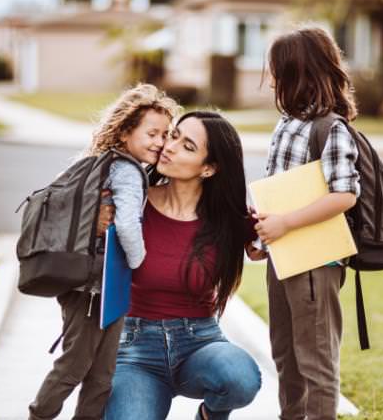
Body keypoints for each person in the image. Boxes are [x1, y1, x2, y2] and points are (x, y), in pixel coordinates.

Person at [28, 84, 179, 420]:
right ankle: (38, 415)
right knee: (77, 366)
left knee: (102, 371)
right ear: (125, 132)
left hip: (101, 286)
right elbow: (126, 225)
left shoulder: (105, 162)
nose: (159, 141)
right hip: (94, 289)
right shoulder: (125, 170)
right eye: (152, 133)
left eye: (164, 134)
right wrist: (141, 263)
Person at [100, 111, 262, 420]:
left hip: (199, 342)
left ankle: (209, 416)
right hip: (135, 349)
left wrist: (265, 242)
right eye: (173, 135)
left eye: (187, 146)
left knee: (241, 378)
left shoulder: (229, 219)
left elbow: (276, 240)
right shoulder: (134, 202)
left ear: (209, 168)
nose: (169, 147)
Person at [253, 27, 361, 420]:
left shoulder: (330, 128)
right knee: (285, 351)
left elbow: (345, 195)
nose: (273, 81)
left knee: (315, 359)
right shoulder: (287, 123)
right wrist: (263, 236)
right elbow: (281, 191)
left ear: (300, 74)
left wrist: (287, 223)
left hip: (315, 264)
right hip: (282, 258)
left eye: (278, 72)